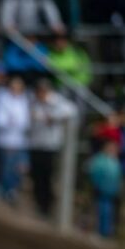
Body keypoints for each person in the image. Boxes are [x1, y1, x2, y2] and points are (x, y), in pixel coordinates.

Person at [28, 78, 76, 217]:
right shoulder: (33, 101)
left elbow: (72, 110)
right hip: (36, 144)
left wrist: (53, 117)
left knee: (47, 176)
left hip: (50, 146)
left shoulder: (56, 101)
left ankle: (46, 206)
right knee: (37, 176)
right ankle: (39, 204)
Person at [0, 75, 30, 203]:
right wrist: (10, 123)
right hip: (5, 140)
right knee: (6, 167)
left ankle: (12, 190)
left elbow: (25, 121)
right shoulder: (2, 98)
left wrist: (16, 122)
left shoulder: (23, 100)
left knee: (19, 168)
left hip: (19, 141)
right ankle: (6, 191)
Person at [89, 140, 123, 238]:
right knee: (101, 210)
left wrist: (116, 188)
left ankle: (106, 231)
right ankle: (100, 230)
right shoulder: (100, 160)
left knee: (108, 211)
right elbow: (95, 173)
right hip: (101, 189)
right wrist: (98, 185)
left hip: (111, 191)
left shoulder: (115, 161)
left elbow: (117, 177)